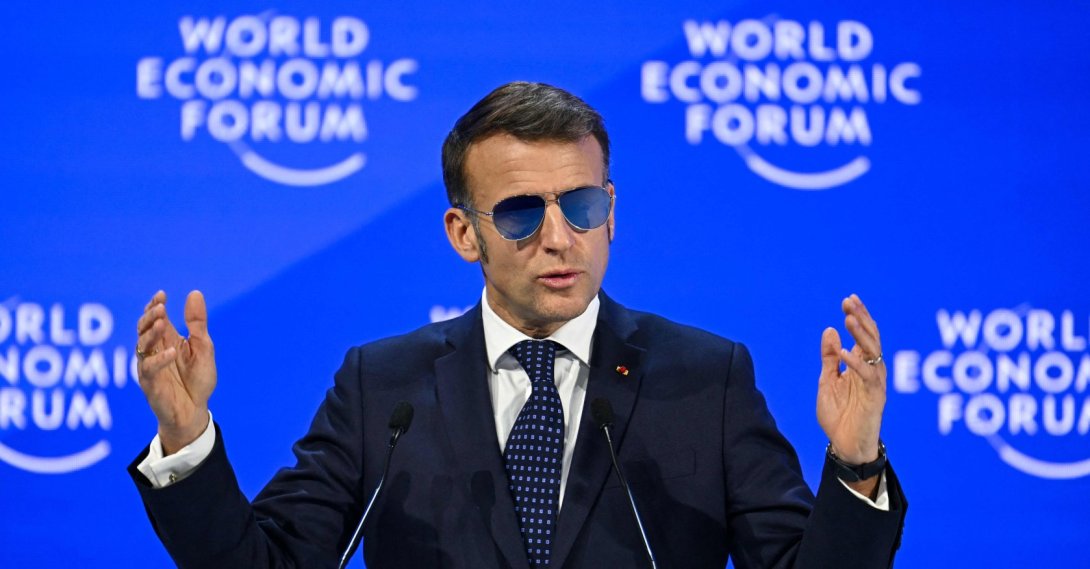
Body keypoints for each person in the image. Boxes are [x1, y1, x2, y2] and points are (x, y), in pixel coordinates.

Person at [130, 82, 906, 568]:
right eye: (522, 212)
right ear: (463, 233)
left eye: (582, 204)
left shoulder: (706, 376)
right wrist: (188, 440)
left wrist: (856, 462)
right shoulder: (383, 387)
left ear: (611, 213)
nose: (560, 235)